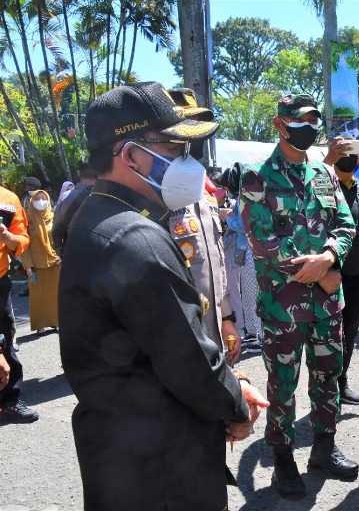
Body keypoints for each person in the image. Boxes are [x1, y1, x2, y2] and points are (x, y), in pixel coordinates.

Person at [58, 81, 268, 511]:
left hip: (125, 452)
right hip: (162, 466)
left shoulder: (102, 216)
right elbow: (189, 361)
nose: (189, 164)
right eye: (175, 149)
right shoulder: (136, 237)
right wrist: (236, 402)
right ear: (132, 155)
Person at [240, 93, 358, 499]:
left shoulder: (324, 174)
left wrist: (328, 257)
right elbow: (262, 242)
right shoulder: (257, 176)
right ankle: (284, 460)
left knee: (328, 377)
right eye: (299, 121)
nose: (308, 128)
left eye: (313, 121)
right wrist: (316, 273)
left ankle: (324, 448)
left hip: (327, 304)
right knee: (283, 384)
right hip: (282, 307)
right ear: (280, 124)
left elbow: (346, 225)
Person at [166, 86, 242, 366]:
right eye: (186, 129)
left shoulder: (204, 192)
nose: (193, 139)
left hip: (214, 335)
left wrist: (228, 319)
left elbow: (216, 262)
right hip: (180, 339)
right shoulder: (155, 198)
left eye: (197, 128)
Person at [323, 133, 359, 405]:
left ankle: (341, 383)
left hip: (356, 274)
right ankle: (325, 390)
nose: (349, 157)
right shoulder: (321, 184)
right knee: (327, 336)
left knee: (350, 331)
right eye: (342, 151)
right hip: (328, 277)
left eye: (353, 151)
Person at [0, 183, 35, 423]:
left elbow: (21, 241)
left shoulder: (8, 200)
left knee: (5, 339)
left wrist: (7, 236)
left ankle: (9, 401)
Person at [221, 164, 263, 351]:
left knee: (250, 294)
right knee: (250, 294)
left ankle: (256, 336)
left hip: (248, 250)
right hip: (251, 250)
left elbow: (243, 226)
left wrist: (227, 217)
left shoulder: (243, 198)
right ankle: (256, 334)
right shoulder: (250, 195)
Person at [21, 190, 60, 335]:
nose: (41, 201)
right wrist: (28, 265)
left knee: (55, 293)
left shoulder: (54, 218)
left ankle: (56, 321)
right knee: (38, 296)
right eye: (37, 198)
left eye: (44, 198)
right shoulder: (27, 220)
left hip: (54, 261)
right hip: (35, 264)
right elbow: (24, 246)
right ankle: (40, 325)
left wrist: (60, 255)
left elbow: (59, 239)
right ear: (31, 201)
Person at [52, 159, 98, 257]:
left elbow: (56, 230)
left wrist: (60, 252)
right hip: (97, 257)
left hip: (71, 255)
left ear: (78, 172)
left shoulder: (64, 197)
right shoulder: (104, 198)